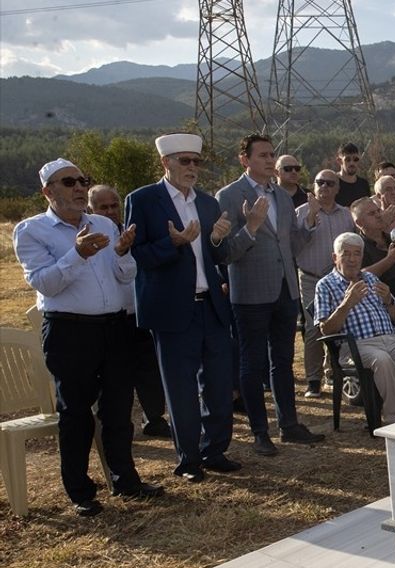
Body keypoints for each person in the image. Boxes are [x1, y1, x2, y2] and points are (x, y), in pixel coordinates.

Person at [16, 158, 162, 516]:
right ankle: (81, 491)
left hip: (113, 327)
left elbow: (123, 277)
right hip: (69, 330)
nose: (80, 188)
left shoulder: (102, 223)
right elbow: (44, 283)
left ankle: (125, 480)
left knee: (117, 409)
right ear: (48, 192)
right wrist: (77, 254)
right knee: (76, 413)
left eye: (83, 181)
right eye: (69, 182)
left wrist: (124, 253)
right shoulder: (32, 230)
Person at [126, 134, 239, 485]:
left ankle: (215, 450)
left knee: (220, 385)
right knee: (181, 389)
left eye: (196, 161)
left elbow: (218, 257)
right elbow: (138, 254)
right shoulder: (144, 200)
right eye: (184, 161)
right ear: (166, 163)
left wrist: (220, 239)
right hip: (174, 310)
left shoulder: (207, 203)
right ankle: (188, 458)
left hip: (212, 307)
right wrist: (172, 243)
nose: (192, 168)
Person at [216, 133, 325, 456]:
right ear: (244, 160)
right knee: (252, 362)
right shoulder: (228, 196)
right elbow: (225, 253)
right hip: (250, 291)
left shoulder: (281, 195)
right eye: (262, 155)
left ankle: (288, 425)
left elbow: (288, 245)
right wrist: (250, 227)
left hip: (285, 288)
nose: (268, 159)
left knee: (283, 360)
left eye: (271, 154)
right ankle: (259, 431)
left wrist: (310, 225)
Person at [315, 233, 395, 424]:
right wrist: (347, 304)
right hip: (356, 346)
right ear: (335, 257)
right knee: (382, 360)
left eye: (357, 254)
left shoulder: (371, 278)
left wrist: (388, 300)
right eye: (346, 254)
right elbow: (326, 329)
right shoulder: (325, 285)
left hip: (391, 339)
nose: (352, 259)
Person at [89, 183, 169, 438]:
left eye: (114, 205)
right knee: (113, 377)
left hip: (138, 310)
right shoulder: (88, 236)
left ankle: (154, 418)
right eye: (104, 207)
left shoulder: (133, 231)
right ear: (91, 209)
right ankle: (112, 428)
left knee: (149, 368)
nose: (111, 211)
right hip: (108, 316)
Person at [294, 169, 355, 398]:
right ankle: (313, 380)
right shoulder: (300, 213)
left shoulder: (346, 216)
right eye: (321, 182)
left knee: (338, 325)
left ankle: (333, 373)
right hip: (310, 277)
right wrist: (310, 217)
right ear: (314, 185)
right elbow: (294, 246)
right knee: (313, 329)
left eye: (331, 183)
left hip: (338, 279)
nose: (325, 187)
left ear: (337, 188)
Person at [352, 197, 395, 336]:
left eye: (378, 210)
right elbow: (359, 276)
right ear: (359, 223)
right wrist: (390, 259)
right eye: (371, 213)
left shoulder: (393, 237)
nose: (379, 215)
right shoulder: (357, 247)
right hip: (392, 312)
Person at [334, 142, 371, 207]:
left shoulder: (364, 184)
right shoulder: (332, 183)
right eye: (348, 159)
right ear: (339, 161)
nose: (352, 163)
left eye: (355, 159)